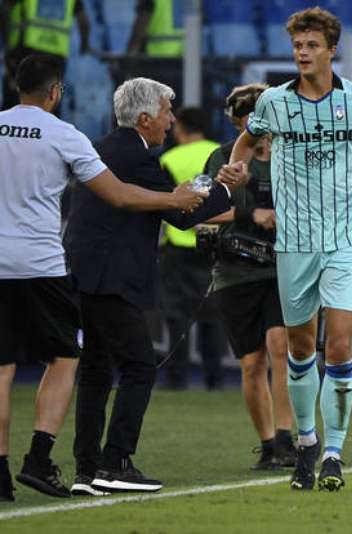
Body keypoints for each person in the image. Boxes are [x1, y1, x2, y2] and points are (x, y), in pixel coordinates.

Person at [0, 56, 204, 501]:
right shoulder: (66, 136)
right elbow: (121, 196)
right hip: (42, 264)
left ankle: (10, 469)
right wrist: (177, 197)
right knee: (68, 361)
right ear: (55, 92)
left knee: (5, 366)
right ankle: (47, 457)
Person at [228, 6, 352, 491]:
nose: (302, 54)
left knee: (341, 346)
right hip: (295, 243)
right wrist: (238, 170)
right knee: (300, 346)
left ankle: (333, 453)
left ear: (332, 49)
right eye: (297, 46)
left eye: (311, 46)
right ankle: (306, 442)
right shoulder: (273, 104)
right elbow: (245, 145)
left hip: (347, 238)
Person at [64, 77, 242, 496]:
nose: (171, 120)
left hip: (85, 274)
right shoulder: (136, 157)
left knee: (94, 371)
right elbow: (180, 212)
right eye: (165, 111)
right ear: (144, 118)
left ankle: (86, 468)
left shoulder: (108, 148)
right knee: (139, 366)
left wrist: (209, 183)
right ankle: (116, 462)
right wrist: (227, 187)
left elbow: (171, 197)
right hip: (113, 277)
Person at [205, 83, 296, 470]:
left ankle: (288, 437)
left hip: (283, 267)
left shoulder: (293, 156)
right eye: (244, 122)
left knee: (281, 347)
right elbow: (204, 211)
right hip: (236, 271)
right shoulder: (223, 159)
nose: (252, 129)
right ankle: (269, 445)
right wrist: (250, 215)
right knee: (251, 363)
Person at [159, 107, 224, 390]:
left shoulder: (169, 158)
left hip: (178, 245)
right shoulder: (222, 153)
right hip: (213, 245)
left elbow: (165, 203)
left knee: (176, 316)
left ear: (180, 127)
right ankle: (215, 379)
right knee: (212, 315)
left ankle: (176, 379)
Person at [1, 0, 91, 110]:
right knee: (50, 100)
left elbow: (6, 8)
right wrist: (85, 45)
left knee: (15, 99)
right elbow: (84, 21)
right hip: (57, 54)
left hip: (26, 50)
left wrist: (7, 42)